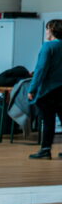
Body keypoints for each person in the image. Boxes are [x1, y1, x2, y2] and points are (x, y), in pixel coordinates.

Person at [27, 19, 62, 160]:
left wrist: (32, 89)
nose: (46, 32)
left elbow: (40, 70)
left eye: (48, 29)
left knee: (48, 121)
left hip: (49, 90)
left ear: (53, 30)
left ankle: (45, 150)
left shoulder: (48, 47)